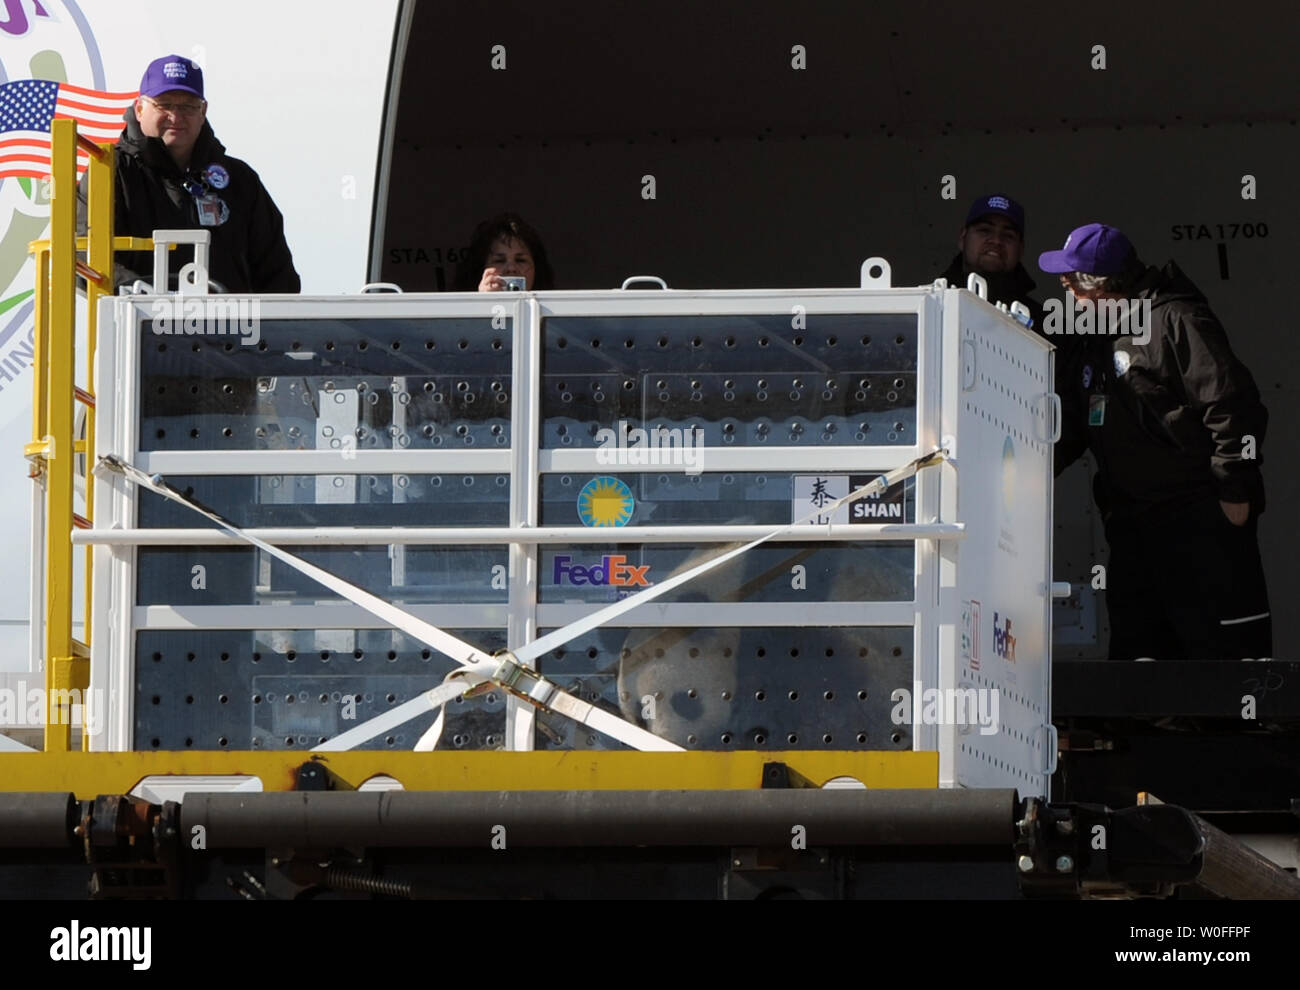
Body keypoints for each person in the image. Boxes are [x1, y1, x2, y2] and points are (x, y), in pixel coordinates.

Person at [1042, 223, 1271, 660]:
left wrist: (1235, 488)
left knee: (1219, 655)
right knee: (1141, 654)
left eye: (1072, 281)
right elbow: (1073, 423)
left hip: (1199, 516)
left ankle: (1225, 728)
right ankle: (1153, 729)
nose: (1065, 291)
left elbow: (1232, 403)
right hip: (1133, 524)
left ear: (1103, 285)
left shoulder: (1176, 319)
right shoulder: (1093, 337)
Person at [77, 54, 300, 293]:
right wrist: (147, 297)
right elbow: (83, 254)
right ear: (140, 108)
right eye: (164, 104)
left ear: (203, 111)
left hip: (232, 327)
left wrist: (272, 327)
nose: (176, 116)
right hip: (138, 325)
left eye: (187, 106)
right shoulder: (110, 171)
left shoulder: (240, 179)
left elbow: (277, 272)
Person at [939, 194, 1046, 333]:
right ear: (962, 238)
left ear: (1021, 250)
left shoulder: (1046, 327)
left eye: (1008, 235)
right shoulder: (930, 301)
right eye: (984, 230)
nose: (996, 240)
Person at [456, 212, 554, 291]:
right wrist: (483, 302)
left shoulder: (552, 311)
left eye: (520, 260)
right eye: (499, 261)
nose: (511, 268)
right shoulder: (463, 311)